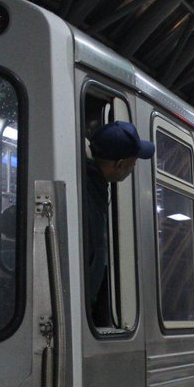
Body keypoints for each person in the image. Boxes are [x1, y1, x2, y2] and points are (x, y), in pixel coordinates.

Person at [83, 121, 154, 320]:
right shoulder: (88, 196)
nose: (134, 166)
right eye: (134, 161)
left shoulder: (91, 184)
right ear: (120, 164)